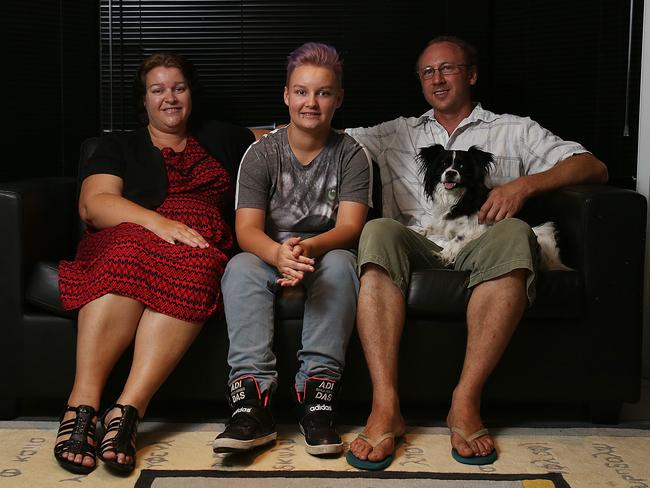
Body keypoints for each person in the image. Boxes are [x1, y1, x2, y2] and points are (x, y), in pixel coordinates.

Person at [344, 35, 608, 470]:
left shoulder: (515, 129)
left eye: (447, 68)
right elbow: (315, 132)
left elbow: (592, 166)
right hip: (417, 242)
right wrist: (258, 137)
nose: (437, 78)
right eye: (427, 72)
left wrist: (523, 185)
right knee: (377, 231)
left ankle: (464, 403)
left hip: (479, 242)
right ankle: (385, 406)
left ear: (471, 73)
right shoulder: (397, 132)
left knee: (516, 234)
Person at [53, 52, 254, 475]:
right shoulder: (118, 145)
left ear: (190, 94)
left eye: (178, 88)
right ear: (143, 100)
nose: (170, 98)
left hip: (197, 248)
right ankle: (81, 406)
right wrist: (161, 224)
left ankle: (126, 412)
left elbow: (293, 135)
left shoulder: (224, 139)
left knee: (198, 267)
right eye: (158, 89)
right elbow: (95, 204)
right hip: (131, 235)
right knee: (127, 254)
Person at [212, 42, 371, 457]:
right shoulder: (261, 153)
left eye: (322, 93)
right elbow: (246, 229)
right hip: (268, 253)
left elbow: (351, 227)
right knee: (240, 267)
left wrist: (305, 249)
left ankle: (316, 400)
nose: (311, 103)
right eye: (301, 91)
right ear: (286, 96)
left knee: (341, 265)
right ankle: (252, 404)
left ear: (338, 98)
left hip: (323, 250)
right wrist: (280, 254)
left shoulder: (353, 154)